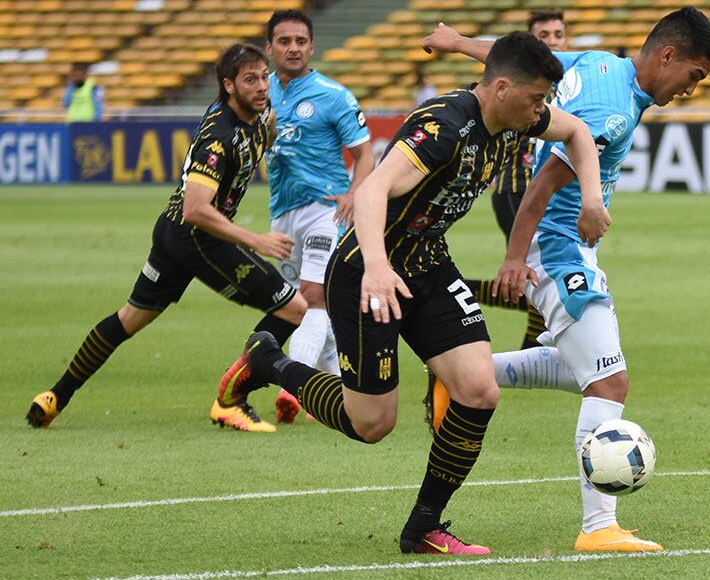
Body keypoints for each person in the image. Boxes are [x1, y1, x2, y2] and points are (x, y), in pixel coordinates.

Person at [215, 32, 606, 555]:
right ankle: (269, 361)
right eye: (537, 98)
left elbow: (578, 131)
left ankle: (424, 526)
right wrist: (376, 267)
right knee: (372, 423)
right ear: (503, 87)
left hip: (427, 264)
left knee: (478, 389)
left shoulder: (521, 116)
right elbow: (374, 188)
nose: (543, 110)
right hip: (366, 270)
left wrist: (592, 197)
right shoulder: (443, 126)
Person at [422, 6, 710, 551]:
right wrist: (516, 257)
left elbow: (526, 58)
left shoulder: (601, 64)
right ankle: (598, 527)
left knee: (580, 368)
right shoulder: (612, 113)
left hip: (568, 248)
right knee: (610, 383)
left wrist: (460, 41)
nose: (689, 89)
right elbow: (541, 185)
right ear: (668, 55)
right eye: (694, 76)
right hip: (559, 251)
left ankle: (460, 375)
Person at [27, 43, 308, 433]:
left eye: (264, 77)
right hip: (199, 235)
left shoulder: (258, 118)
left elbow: (269, 131)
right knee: (292, 307)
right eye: (250, 80)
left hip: (173, 232)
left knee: (130, 318)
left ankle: (55, 396)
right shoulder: (219, 136)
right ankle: (231, 400)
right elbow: (196, 207)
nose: (262, 87)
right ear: (228, 85)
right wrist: (255, 241)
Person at [261, 10, 375, 425]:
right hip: (283, 212)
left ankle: (295, 386)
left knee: (313, 296)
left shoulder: (333, 94)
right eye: (284, 41)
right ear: (270, 47)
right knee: (299, 303)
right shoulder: (261, 92)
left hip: (327, 210)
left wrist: (354, 195)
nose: (293, 48)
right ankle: (334, 394)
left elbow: (365, 155)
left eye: (300, 41)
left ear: (312, 46)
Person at [460, 9, 569, 353]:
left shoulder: (568, 79)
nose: (552, 41)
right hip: (515, 187)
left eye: (557, 34)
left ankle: (529, 350)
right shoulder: (519, 80)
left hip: (547, 190)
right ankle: (457, 292)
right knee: (536, 276)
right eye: (543, 35)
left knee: (538, 280)